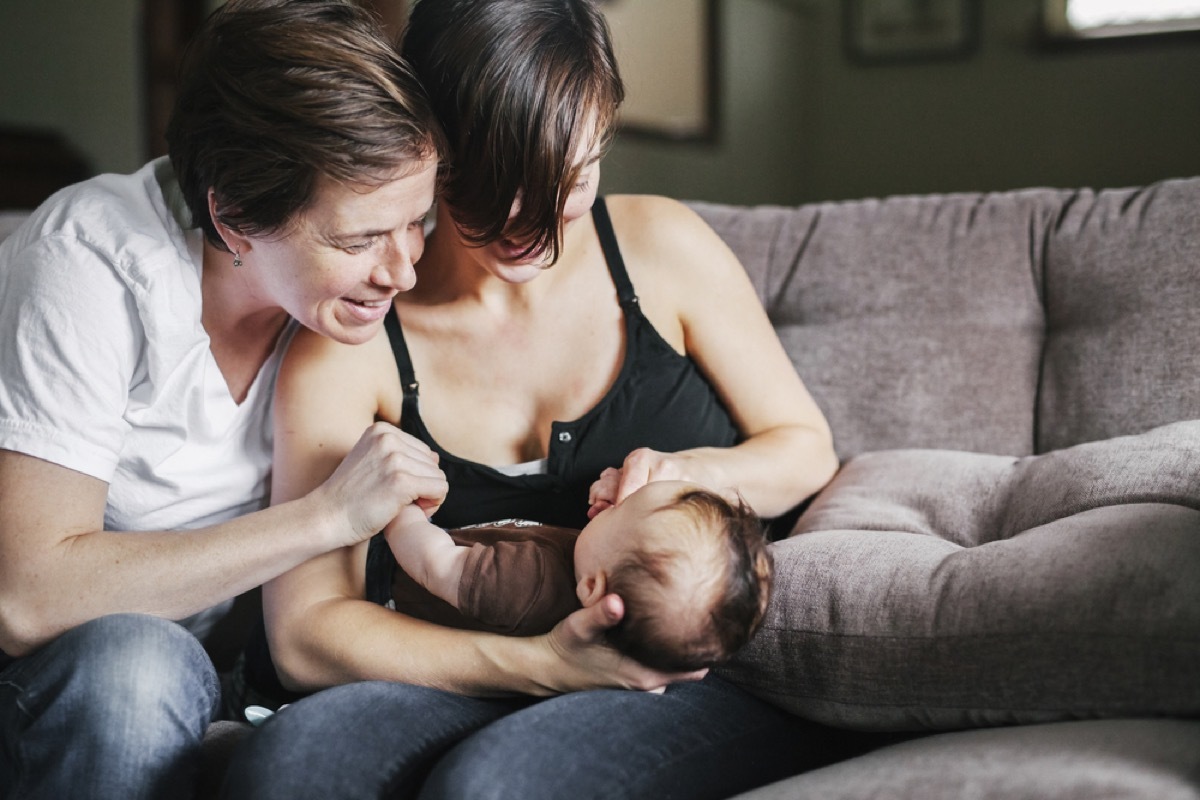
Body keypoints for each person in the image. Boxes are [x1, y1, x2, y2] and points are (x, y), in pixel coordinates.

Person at [223, 0, 844, 798]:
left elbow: (803, 445)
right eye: (496, 183)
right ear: (427, 149)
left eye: (572, 176)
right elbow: (309, 631)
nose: (537, 223)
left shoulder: (663, 250)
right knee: (290, 766)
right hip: (453, 671)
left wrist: (686, 477)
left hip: (667, 675)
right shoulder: (356, 339)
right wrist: (541, 666)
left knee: (496, 786)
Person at [0, 1, 447, 797]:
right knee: (138, 664)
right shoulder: (90, 263)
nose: (403, 270)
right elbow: (28, 597)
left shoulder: (340, 309)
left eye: (419, 222)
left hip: (222, 675)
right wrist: (325, 518)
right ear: (234, 213)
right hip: (57, 678)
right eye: (357, 240)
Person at [382, 480, 773, 672]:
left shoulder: (526, 583)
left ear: (592, 588)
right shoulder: (595, 575)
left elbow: (434, 564)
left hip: (384, 582)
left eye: (621, 510)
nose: (614, 503)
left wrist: (400, 508)